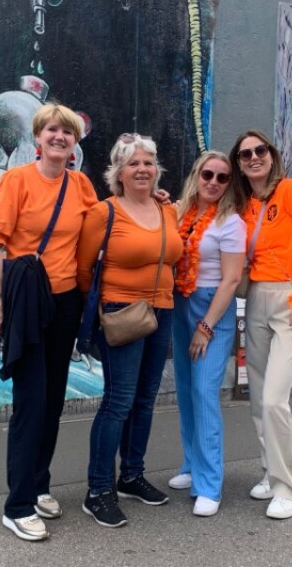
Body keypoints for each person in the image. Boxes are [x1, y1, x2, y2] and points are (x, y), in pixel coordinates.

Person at [0, 103, 97, 541]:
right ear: (38, 138)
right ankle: (18, 504)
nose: (59, 138)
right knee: (30, 402)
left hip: (65, 303)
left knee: (52, 399)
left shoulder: (80, 184)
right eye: (51, 130)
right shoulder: (17, 181)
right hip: (26, 302)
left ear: (74, 143)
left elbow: (102, 224)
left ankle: (40, 482)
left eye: (66, 133)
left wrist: (160, 202)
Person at [76, 133, 183, 528]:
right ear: (118, 172)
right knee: (118, 400)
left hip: (162, 310)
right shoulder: (105, 213)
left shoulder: (166, 209)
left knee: (146, 397)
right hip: (121, 310)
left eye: (148, 163)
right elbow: (84, 269)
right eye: (133, 163)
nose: (142, 169)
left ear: (157, 170)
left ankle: (132, 476)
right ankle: (98, 489)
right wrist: (107, 307)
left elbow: (173, 256)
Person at [230, 130, 292, 520]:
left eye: (259, 150)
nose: (254, 157)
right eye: (245, 153)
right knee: (258, 395)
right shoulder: (243, 204)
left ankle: (288, 487)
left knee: (274, 399)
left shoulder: (291, 192)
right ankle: (270, 470)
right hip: (255, 300)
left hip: (291, 299)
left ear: (271, 153)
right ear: (238, 162)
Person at [167, 151, 246, 517]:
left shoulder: (231, 222)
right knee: (185, 390)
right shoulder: (181, 211)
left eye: (222, 177)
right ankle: (190, 465)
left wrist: (206, 327)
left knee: (204, 391)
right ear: (196, 174)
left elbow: (231, 280)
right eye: (208, 174)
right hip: (180, 304)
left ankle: (209, 484)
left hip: (212, 309)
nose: (213, 182)